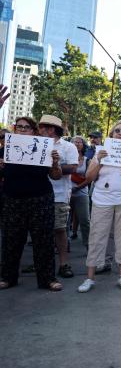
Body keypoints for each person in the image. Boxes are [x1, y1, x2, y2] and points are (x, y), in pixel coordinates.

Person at [78, 120, 121, 293]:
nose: (120, 133)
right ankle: (89, 278)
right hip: (102, 199)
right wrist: (99, 160)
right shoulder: (101, 152)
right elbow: (89, 177)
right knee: (97, 236)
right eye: (117, 131)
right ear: (112, 134)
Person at [0, 117, 63, 291]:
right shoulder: (5, 149)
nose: (22, 130)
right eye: (18, 127)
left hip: (40, 199)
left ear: (33, 131)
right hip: (12, 200)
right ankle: (7, 277)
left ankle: (48, 279)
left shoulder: (45, 149)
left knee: (43, 241)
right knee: (11, 240)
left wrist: (56, 163)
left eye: (26, 127)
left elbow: (56, 176)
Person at [38, 114, 78, 279]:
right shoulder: (35, 143)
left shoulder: (68, 147)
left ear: (51, 129)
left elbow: (73, 168)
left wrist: (54, 163)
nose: (39, 130)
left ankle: (63, 264)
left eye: (42, 127)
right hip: (36, 193)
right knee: (39, 231)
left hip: (58, 195)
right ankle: (40, 263)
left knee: (59, 229)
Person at [70, 136, 91, 249]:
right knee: (63, 222)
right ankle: (62, 245)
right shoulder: (65, 157)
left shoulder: (88, 160)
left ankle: (88, 244)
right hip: (66, 192)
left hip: (81, 193)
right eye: (74, 141)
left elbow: (89, 178)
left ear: (83, 145)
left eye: (79, 142)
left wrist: (77, 187)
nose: (77, 143)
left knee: (85, 221)